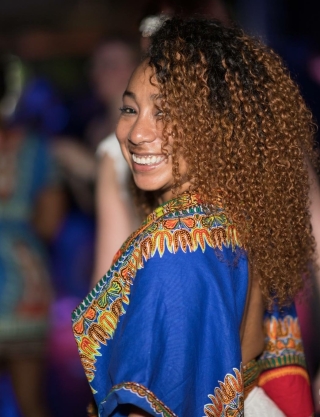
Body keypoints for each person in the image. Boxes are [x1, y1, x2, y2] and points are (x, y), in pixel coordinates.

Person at [72, 16, 318, 416]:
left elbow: (148, 403)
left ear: (216, 126)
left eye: (166, 112)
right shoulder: (239, 208)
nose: (136, 133)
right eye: (130, 109)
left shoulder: (174, 247)